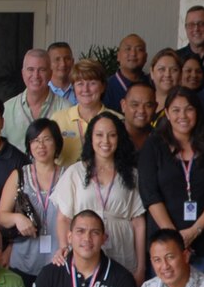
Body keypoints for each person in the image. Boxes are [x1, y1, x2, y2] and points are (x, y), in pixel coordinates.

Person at [139, 86, 204, 270]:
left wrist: (194, 232)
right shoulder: (154, 145)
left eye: (189, 109)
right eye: (176, 110)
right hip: (164, 243)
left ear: (197, 112)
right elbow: (149, 193)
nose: (183, 116)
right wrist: (174, 236)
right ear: (167, 114)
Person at [54, 112, 147, 277]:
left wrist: (141, 266)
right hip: (84, 249)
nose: (105, 141)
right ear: (90, 138)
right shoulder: (75, 172)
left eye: (112, 135)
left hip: (122, 248)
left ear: (119, 139)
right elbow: (64, 218)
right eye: (99, 135)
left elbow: (138, 222)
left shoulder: (132, 175)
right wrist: (66, 249)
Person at [0, 118, 65, 280]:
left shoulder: (68, 175)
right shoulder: (18, 175)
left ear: (57, 143)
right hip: (23, 260)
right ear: (29, 145)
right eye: (35, 140)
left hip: (59, 258)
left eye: (47, 139)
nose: (41, 145)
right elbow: (2, 216)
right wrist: (17, 218)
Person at [53, 60, 124, 166]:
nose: (85, 89)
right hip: (66, 181)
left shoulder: (118, 121)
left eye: (92, 83)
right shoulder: (58, 119)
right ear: (74, 87)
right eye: (80, 84)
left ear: (103, 87)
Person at [1, 49, 71, 150]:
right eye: (30, 69)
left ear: (50, 74)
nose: (36, 75)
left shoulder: (66, 109)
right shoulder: (7, 109)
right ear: (23, 73)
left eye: (42, 70)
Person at [121, 80, 158, 152]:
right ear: (123, 105)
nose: (141, 110)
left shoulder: (161, 139)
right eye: (135, 105)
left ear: (155, 107)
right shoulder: (112, 135)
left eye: (148, 105)